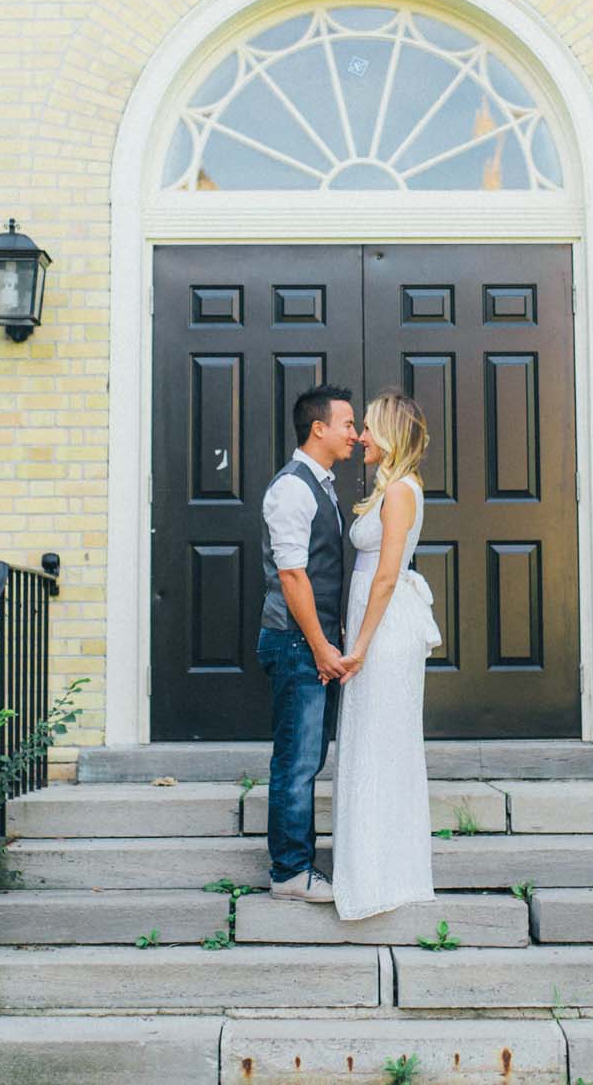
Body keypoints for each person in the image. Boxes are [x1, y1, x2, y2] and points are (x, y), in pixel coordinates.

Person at [332, 389, 439, 921]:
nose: (362, 437)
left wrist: (360, 646)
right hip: (372, 630)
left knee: (381, 744)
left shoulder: (400, 491)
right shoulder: (389, 489)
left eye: (370, 428)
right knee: (367, 743)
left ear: (391, 434)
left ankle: (383, 875)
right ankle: (367, 866)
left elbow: (387, 576)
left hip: (384, 632)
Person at [256, 383, 356, 902]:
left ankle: (296, 864)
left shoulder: (322, 485)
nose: (355, 435)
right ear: (318, 428)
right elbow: (293, 576)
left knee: (307, 757)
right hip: (297, 643)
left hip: (311, 643)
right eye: (347, 424)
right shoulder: (293, 488)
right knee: (296, 761)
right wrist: (320, 646)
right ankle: (290, 872)